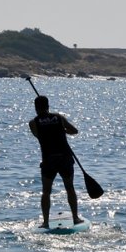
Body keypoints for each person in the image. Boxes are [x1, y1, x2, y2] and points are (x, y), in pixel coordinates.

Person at [28, 95, 82, 228]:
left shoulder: (33, 122)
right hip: (65, 158)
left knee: (46, 191)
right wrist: (61, 130)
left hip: (48, 160)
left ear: (36, 108)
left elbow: (38, 136)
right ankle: (75, 218)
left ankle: (45, 222)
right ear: (48, 106)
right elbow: (74, 131)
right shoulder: (59, 117)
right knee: (70, 188)